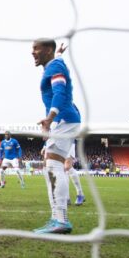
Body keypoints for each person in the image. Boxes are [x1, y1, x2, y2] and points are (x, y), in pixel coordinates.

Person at [32, 38, 81, 234]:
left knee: (53, 164)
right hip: (65, 119)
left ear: (48, 50)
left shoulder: (55, 67)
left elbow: (59, 92)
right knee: (50, 165)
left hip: (64, 119)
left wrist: (50, 117)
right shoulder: (55, 63)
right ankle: (56, 218)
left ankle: (61, 220)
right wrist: (60, 53)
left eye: (36, 48)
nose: (32, 52)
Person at [65, 140, 85, 205]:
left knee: (67, 167)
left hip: (68, 140)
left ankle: (80, 194)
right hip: (58, 141)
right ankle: (67, 197)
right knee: (65, 169)